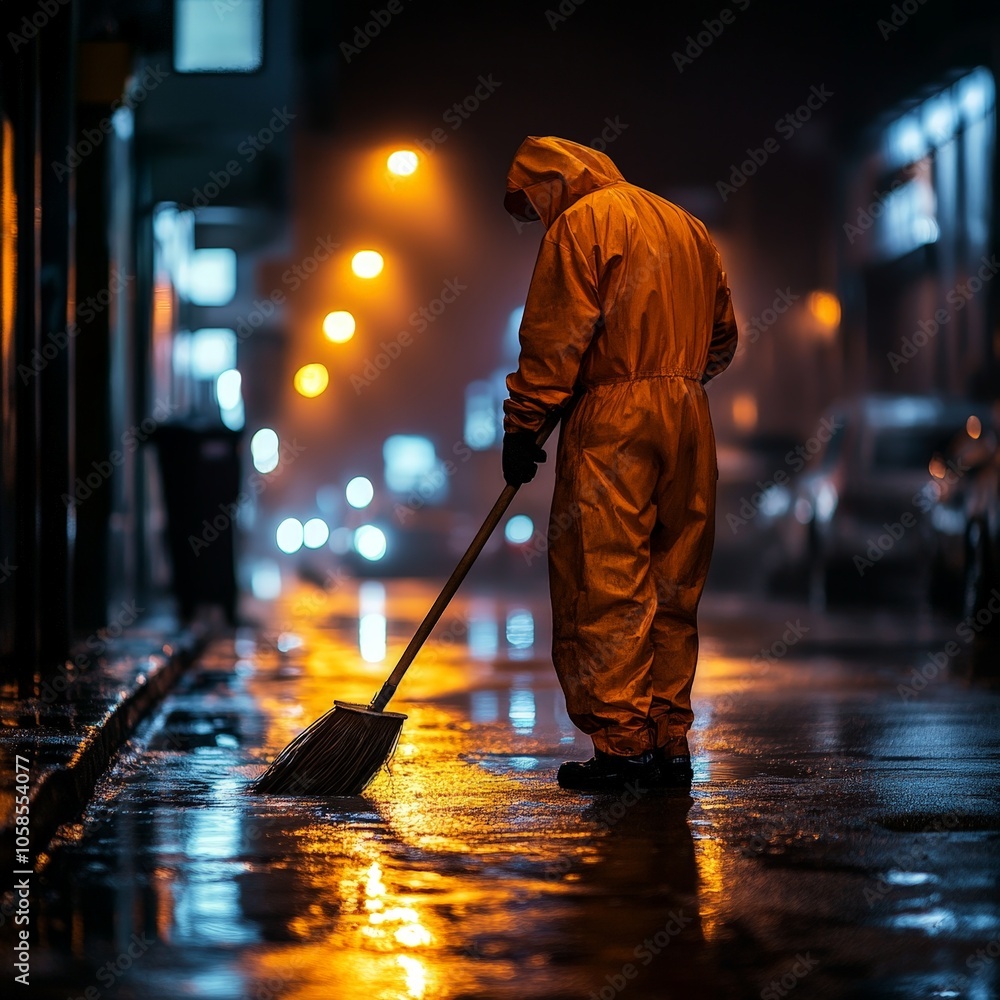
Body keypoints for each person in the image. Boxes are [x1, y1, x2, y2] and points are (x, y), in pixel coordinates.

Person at [500, 135, 739, 792]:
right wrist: (677, 375)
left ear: (549, 184)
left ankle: (624, 745)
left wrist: (524, 425)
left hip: (615, 418)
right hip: (689, 413)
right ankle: (669, 739)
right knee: (674, 581)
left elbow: (554, 338)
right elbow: (724, 335)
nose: (537, 221)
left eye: (532, 205)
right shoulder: (687, 227)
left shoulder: (582, 222)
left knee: (604, 576)